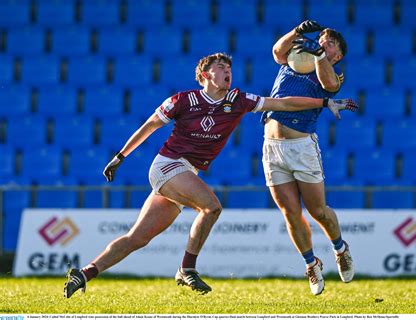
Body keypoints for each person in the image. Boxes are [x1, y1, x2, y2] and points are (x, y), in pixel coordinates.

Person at [64, 52, 358, 298]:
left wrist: (324, 102)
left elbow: (281, 103)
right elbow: (150, 126)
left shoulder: (238, 100)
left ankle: (85, 273)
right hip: (168, 165)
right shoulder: (182, 100)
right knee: (212, 206)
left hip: (183, 173)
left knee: (137, 238)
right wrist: (120, 157)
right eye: (221, 68)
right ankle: (187, 269)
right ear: (204, 74)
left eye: (229, 68)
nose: (228, 71)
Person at [260, 20, 355, 296]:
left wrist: (321, 55)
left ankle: (340, 248)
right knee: (290, 213)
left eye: (330, 43)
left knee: (318, 211)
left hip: (302, 147)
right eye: (322, 38)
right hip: (272, 146)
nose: (323, 42)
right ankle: (311, 263)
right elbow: (278, 52)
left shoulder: (331, 73)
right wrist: (297, 32)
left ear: (337, 55)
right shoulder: (294, 59)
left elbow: (329, 85)